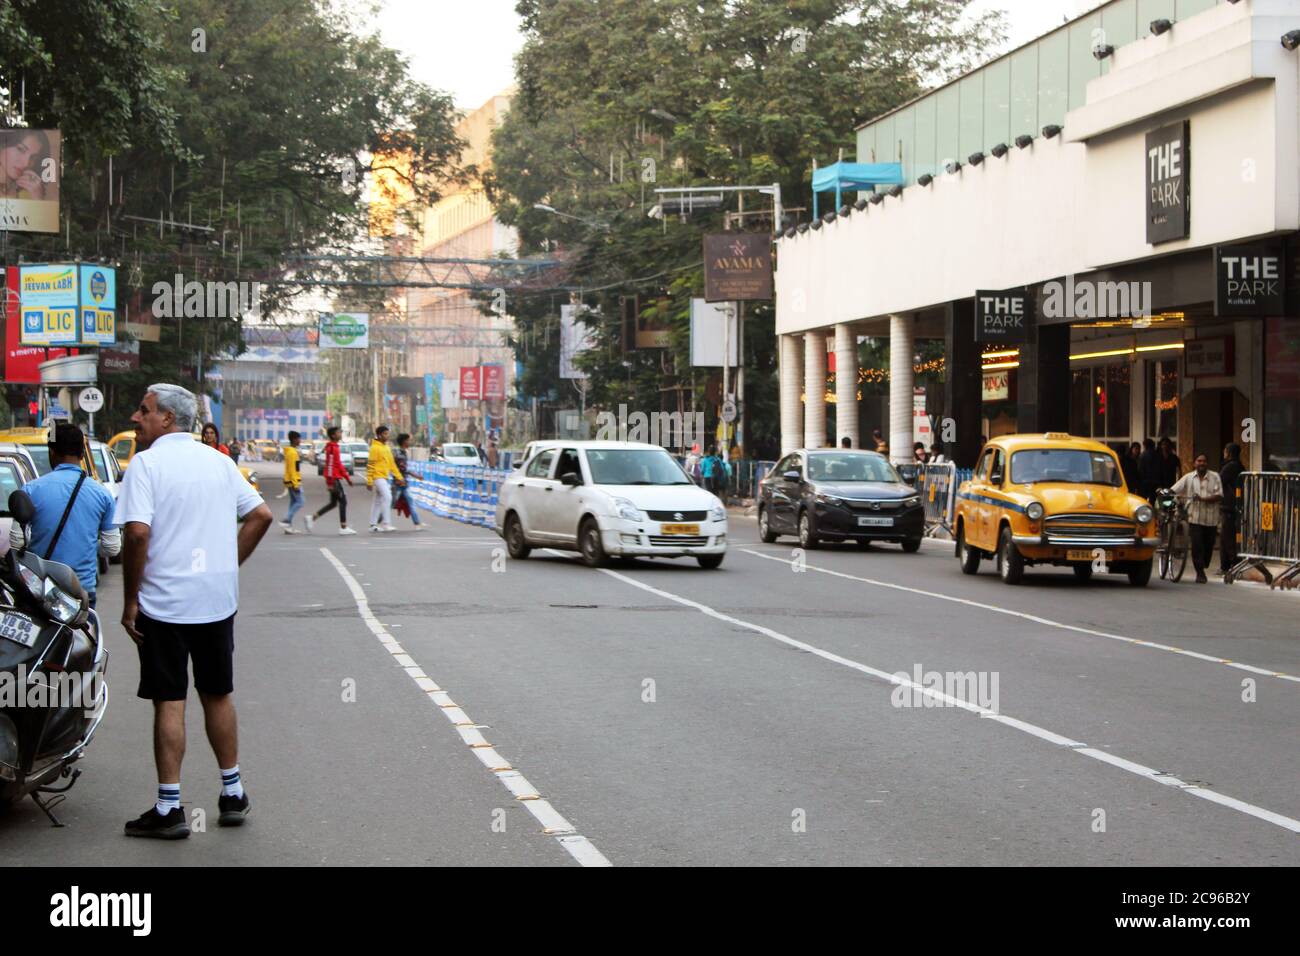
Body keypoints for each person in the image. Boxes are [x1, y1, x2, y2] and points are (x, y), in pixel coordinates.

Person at [116, 383, 273, 838]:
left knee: (171, 699)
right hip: (215, 601)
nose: (135, 417)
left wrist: (130, 600)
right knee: (218, 693)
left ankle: (169, 808)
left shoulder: (145, 464)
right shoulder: (220, 461)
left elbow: (138, 535)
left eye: (143, 410)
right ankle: (232, 792)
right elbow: (261, 515)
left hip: (164, 604)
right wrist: (227, 565)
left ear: (166, 418)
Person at [10, 422, 118, 608]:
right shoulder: (102, 494)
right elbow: (112, 548)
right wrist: (87, 544)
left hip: (40, 588)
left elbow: (17, 542)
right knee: (85, 637)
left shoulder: (31, 489)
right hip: (81, 591)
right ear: (82, 454)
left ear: (51, 452)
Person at [1170, 452, 1223, 584]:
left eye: (1204, 461)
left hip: (1211, 519)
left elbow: (1219, 495)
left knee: (1208, 546)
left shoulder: (1215, 477)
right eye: (1199, 461)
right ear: (1195, 463)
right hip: (1194, 518)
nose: (1201, 463)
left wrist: (1203, 499)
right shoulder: (1188, 478)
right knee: (1197, 545)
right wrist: (1165, 492)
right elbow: (1174, 489)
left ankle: (1203, 564)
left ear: (1207, 464)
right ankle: (1200, 573)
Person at [307, 426, 355, 535]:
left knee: (333, 503)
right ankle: (343, 527)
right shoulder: (332, 448)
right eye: (339, 432)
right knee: (343, 501)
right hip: (333, 479)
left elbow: (338, 465)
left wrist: (347, 478)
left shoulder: (334, 447)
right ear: (333, 435)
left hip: (335, 478)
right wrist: (330, 482)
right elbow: (330, 466)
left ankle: (312, 518)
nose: (340, 434)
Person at [367, 425, 401, 533]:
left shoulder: (386, 448)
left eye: (388, 433)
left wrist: (399, 477)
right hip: (377, 477)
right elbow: (371, 465)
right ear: (379, 435)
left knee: (377, 501)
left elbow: (392, 465)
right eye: (385, 434)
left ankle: (373, 525)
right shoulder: (374, 448)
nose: (387, 436)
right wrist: (369, 481)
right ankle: (386, 524)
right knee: (388, 496)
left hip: (384, 477)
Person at [391, 433, 425, 531]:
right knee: (390, 503)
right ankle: (377, 522)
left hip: (403, 483)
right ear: (404, 441)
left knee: (410, 502)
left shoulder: (403, 452)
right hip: (399, 483)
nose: (409, 442)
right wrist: (417, 476)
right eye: (408, 440)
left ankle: (417, 523)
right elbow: (404, 470)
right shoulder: (400, 454)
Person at [1219, 442, 1244, 576]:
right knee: (1224, 536)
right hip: (1230, 505)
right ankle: (1225, 565)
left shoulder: (1230, 467)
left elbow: (1219, 481)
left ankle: (1234, 564)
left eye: (1225, 451)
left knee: (1228, 536)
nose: (1223, 453)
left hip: (1230, 505)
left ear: (1229, 453)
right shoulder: (1238, 466)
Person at [280, 430, 305, 533]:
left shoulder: (290, 451)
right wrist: (296, 484)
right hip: (293, 482)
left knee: (293, 502)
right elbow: (293, 470)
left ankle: (288, 527)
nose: (300, 441)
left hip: (290, 481)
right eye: (299, 438)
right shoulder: (292, 453)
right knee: (300, 502)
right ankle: (286, 520)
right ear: (294, 440)